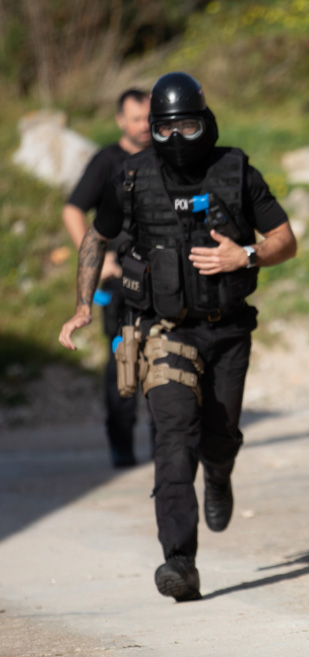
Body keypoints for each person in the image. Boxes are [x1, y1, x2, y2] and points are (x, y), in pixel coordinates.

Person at [58, 72, 297, 602]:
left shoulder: (236, 171)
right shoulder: (131, 177)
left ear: (205, 123)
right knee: (173, 439)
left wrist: (246, 255)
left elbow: (285, 239)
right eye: (165, 128)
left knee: (220, 433)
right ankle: (179, 560)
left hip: (228, 330)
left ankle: (220, 472)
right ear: (153, 128)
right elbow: (96, 238)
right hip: (163, 331)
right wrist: (82, 305)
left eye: (187, 126)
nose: (176, 138)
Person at [62, 88, 152, 468]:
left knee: (166, 361)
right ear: (120, 121)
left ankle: (168, 447)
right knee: (123, 363)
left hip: (161, 279)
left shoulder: (165, 156)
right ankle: (122, 447)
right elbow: (73, 209)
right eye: (136, 119)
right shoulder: (107, 160)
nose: (144, 126)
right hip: (119, 284)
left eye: (148, 118)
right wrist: (98, 262)